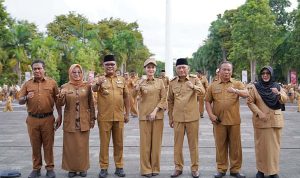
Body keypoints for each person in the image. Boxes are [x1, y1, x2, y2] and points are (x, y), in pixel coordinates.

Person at [18, 59, 62, 178]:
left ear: (44, 69)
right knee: (35, 145)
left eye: (39, 68)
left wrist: (60, 115)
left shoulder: (52, 83)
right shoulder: (27, 84)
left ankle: (50, 168)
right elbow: (20, 100)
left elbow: (58, 101)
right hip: (32, 119)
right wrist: (27, 97)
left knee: (48, 145)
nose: (37, 71)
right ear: (32, 71)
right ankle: (36, 168)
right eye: (35, 69)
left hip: (48, 118)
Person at [205, 61, 248, 178]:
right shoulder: (213, 85)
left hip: (234, 121)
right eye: (224, 69)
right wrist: (210, 115)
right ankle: (221, 169)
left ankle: (235, 170)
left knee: (235, 147)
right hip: (219, 122)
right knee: (220, 146)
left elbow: (246, 93)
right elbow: (207, 101)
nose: (227, 72)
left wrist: (236, 91)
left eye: (229, 70)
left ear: (232, 71)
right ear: (219, 71)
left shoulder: (237, 83)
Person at [92, 54, 130, 178]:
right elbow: (93, 89)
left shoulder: (122, 80)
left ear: (116, 66)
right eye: (107, 64)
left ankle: (119, 166)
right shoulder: (100, 79)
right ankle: (104, 167)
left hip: (119, 117)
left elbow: (126, 97)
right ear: (103, 66)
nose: (110, 66)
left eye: (112, 64)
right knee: (104, 144)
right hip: (104, 117)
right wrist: (98, 83)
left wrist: (127, 113)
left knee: (119, 144)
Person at [247, 66, 287, 178]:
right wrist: (259, 113)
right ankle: (261, 170)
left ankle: (273, 171)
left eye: (267, 73)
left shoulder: (277, 86)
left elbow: (285, 99)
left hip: (275, 122)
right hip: (261, 121)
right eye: (263, 73)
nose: (265, 75)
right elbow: (250, 102)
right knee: (261, 147)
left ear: (271, 75)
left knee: (274, 148)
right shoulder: (255, 87)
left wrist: (278, 94)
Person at [168, 58, 205, 178]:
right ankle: (178, 167)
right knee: (177, 145)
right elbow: (170, 101)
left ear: (188, 69)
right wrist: (170, 117)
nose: (182, 69)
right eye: (179, 68)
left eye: (184, 67)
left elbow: (203, 92)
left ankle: (195, 168)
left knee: (193, 145)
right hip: (178, 118)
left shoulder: (195, 80)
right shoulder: (172, 82)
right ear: (176, 69)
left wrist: (193, 87)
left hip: (192, 118)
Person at [57, 64, 96, 177]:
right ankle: (72, 169)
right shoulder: (65, 86)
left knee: (83, 147)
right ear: (70, 73)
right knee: (70, 147)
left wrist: (92, 118)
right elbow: (60, 104)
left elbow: (91, 104)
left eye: (79, 72)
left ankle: (83, 168)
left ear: (81, 73)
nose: (77, 74)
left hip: (84, 121)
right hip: (70, 122)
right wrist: (60, 96)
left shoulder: (87, 86)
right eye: (74, 72)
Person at [133, 58, 167, 177]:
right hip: (144, 117)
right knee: (145, 144)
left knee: (156, 144)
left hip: (157, 117)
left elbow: (164, 99)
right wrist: (138, 87)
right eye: (148, 67)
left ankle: (155, 168)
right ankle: (146, 169)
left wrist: (155, 111)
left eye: (152, 67)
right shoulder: (140, 82)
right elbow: (133, 96)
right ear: (145, 69)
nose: (150, 69)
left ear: (155, 69)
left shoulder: (160, 82)